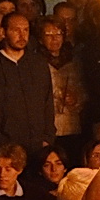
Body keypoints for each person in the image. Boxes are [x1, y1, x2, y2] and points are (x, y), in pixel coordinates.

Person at [0, 12, 55, 153]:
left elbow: (48, 101)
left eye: (25, 30)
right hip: (6, 147)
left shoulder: (38, 63)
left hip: (39, 144)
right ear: (3, 32)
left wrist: (48, 137)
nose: (22, 35)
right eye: (16, 30)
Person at [39, 17, 85, 153]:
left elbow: (84, 89)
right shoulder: (36, 63)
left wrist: (76, 99)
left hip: (72, 125)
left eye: (58, 33)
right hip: (47, 127)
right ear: (41, 38)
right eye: (49, 34)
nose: (54, 39)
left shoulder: (74, 60)